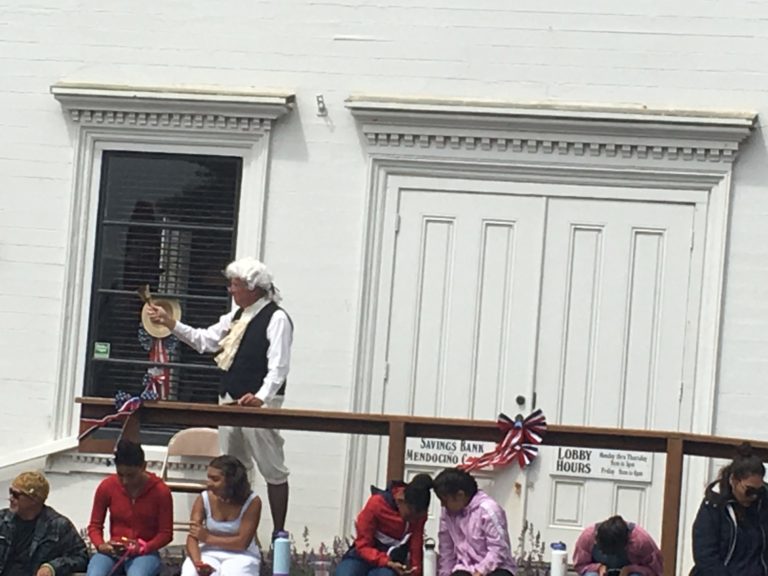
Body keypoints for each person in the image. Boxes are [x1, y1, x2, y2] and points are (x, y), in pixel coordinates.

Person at [148, 256, 293, 537]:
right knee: (234, 469)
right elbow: (205, 340)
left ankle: (278, 535)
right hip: (229, 402)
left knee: (272, 467)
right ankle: (234, 531)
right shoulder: (236, 317)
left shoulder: (276, 318)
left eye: (235, 285)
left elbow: (279, 366)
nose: (231, 290)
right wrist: (170, 323)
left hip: (259, 406)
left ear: (253, 287)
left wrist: (262, 397)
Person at [86, 439, 174, 576]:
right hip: (112, 552)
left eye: (131, 476)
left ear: (143, 467)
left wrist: (145, 547)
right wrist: (101, 545)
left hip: (144, 554)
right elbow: (94, 526)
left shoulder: (160, 492)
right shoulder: (107, 487)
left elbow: (166, 533)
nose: (125, 481)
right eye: (120, 475)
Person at [690, 442, 768, 576]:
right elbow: (705, 556)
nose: (754, 496)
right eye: (749, 491)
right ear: (734, 481)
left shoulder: (764, 502)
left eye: (759, 491)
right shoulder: (713, 505)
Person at [335, 474, 433, 576]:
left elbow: (415, 546)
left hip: (392, 562)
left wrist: (415, 571)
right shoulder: (376, 504)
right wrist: (385, 561)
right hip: (361, 557)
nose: (413, 521)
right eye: (410, 516)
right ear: (401, 500)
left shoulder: (418, 516)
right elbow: (363, 544)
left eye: (417, 518)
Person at [180, 455, 262, 576]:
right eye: (208, 478)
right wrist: (198, 563)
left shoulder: (252, 502)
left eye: (215, 479)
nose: (209, 483)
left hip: (242, 555)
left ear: (232, 481)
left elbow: (242, 543)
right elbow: (193, 537)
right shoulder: (203, 499)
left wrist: (207, 538)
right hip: (207, 553)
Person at [0, 470, 88, 576]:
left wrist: (52, 567)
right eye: (10, 492)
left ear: (34, 500)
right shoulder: (2, 519)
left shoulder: (58, 525)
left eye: (16, 495)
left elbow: (81, 557)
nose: (11, 498)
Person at [432, 467, 516, 576]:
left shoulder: (488, 510)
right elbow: (446, 550)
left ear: (460, 495)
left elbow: (498, 549)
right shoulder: (448, 513)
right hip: (465, 567)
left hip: (496, 567)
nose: (443, 505)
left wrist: (481, 571)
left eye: (444, 500)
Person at [572, 515, 662, 576]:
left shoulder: (641, 541)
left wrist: (630, 569)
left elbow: (655, 571)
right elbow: (579, 565)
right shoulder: (588, 537)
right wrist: (598, 568)